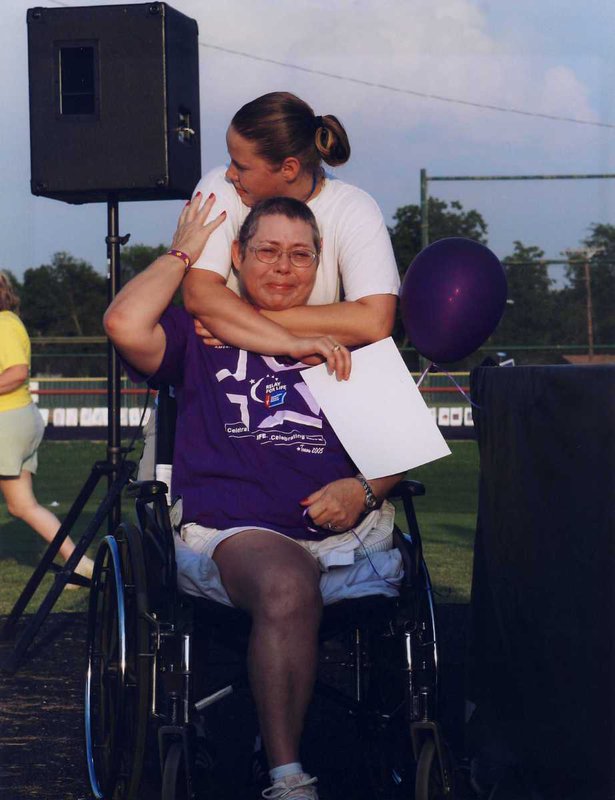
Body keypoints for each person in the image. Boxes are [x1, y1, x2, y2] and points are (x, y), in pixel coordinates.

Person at [104, 196, 404, 800]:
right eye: (267, 251)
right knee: (287, 582)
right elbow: (123, 323)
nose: (284, 267)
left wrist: (364, 489)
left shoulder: (347, 340)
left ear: (319, 265)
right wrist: (183, 252)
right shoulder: (201, 332)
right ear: (237, 257)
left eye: (301, 255)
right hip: (234, 531)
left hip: (343, 535)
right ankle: (288, 778)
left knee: (300, 577)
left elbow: (400, 446)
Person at [183, 90, 400, 351]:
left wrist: (235, 323)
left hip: (313, 385)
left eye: (241, 166)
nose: (230, 172)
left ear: (289, 169)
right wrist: (298, 337)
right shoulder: (220, 187)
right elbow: (200, 295)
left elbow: (375, 321)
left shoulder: (354, 208)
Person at [0, 272, 93, 582]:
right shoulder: (9, 322)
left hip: (7, 423)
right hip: (18, 420)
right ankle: (80, 564)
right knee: (21, 505)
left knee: (22, 504)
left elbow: (17, 372)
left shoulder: (3, 325)